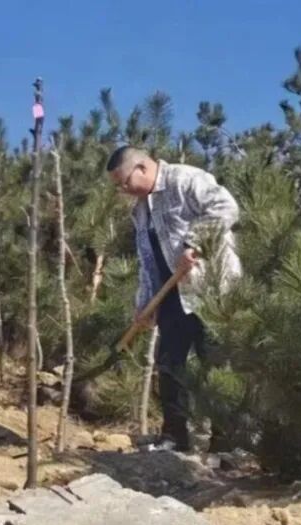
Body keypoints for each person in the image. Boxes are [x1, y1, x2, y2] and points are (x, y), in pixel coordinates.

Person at [106, 146, 241, 452]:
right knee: (170, 364)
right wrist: (143, 304)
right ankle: (174, 436)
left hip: (209, 291)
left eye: (124, 182)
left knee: (216, 365)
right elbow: (148, 261)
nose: (123, 190)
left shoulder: (184, 179)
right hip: (170, 297)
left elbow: (226, 206)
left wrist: (194, 243)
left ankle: (228, 442)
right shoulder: (140, 210)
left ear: (142, 168)